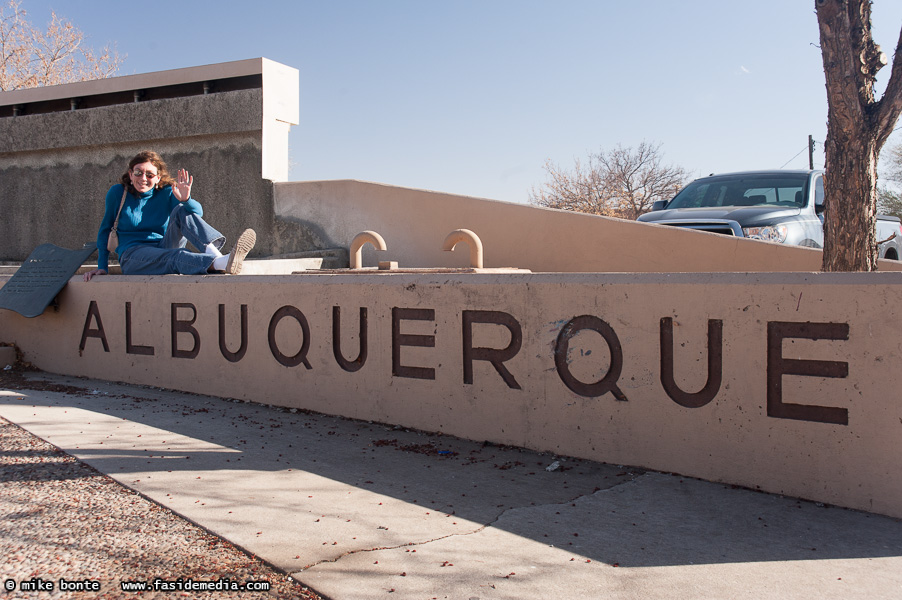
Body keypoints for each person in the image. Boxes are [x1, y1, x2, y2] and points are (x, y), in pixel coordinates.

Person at [84, 151, 255, 281]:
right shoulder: (117, 193)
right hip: (133, 255)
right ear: (130, 174)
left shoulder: (166, 192)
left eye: (150, 175)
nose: (143, 178)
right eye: (138, 173)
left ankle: (218, 258)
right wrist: (102, 267)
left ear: (158, 178)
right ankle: (220, 264)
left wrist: (186, 199)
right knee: (176, 256)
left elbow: (196, 214)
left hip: (163, 245)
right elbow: (105, 230)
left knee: (182, 210)